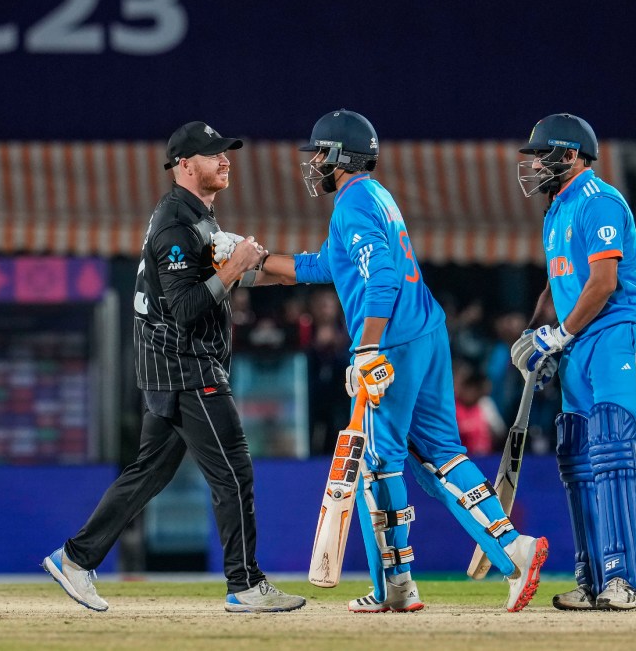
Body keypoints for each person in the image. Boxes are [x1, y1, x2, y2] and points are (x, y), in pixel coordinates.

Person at [252, 109, 549, 613]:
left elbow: (382, 280)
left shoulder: (352, 204)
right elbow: (326, 265)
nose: (315, 163)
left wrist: (366, 347)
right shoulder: (374, 195)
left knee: (378, 465)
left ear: (341, 155)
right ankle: (513, 548)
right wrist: (255, 263)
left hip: (391, 343)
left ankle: (396, 585)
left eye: (320, 153)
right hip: (426, 332)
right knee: (443, 455)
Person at [42, 121, 305, 614]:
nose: (225, 160)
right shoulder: (177, 224)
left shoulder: (193, 216)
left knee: (149, 473)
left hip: (172, 365)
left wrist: (293, 272)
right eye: (212, 154)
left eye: (225, 152)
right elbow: (185, 307)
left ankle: (75, 559)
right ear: (184, 165)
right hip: (187, 367)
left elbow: (224, 279)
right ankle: (245, 584)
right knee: (233, 472)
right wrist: (236, 265)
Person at [509, 113, 636, 610]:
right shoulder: (557, 210)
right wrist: (534, 334)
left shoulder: (599, 201)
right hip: (579, 340)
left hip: (618, 331)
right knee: (576, 456)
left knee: (614, 448)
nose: (534, 164)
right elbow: (559, 284)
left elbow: (603, 282)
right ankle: (593, 578)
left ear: (570, 155)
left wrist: (558, 335)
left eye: (541, 154)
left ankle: (626, 580)